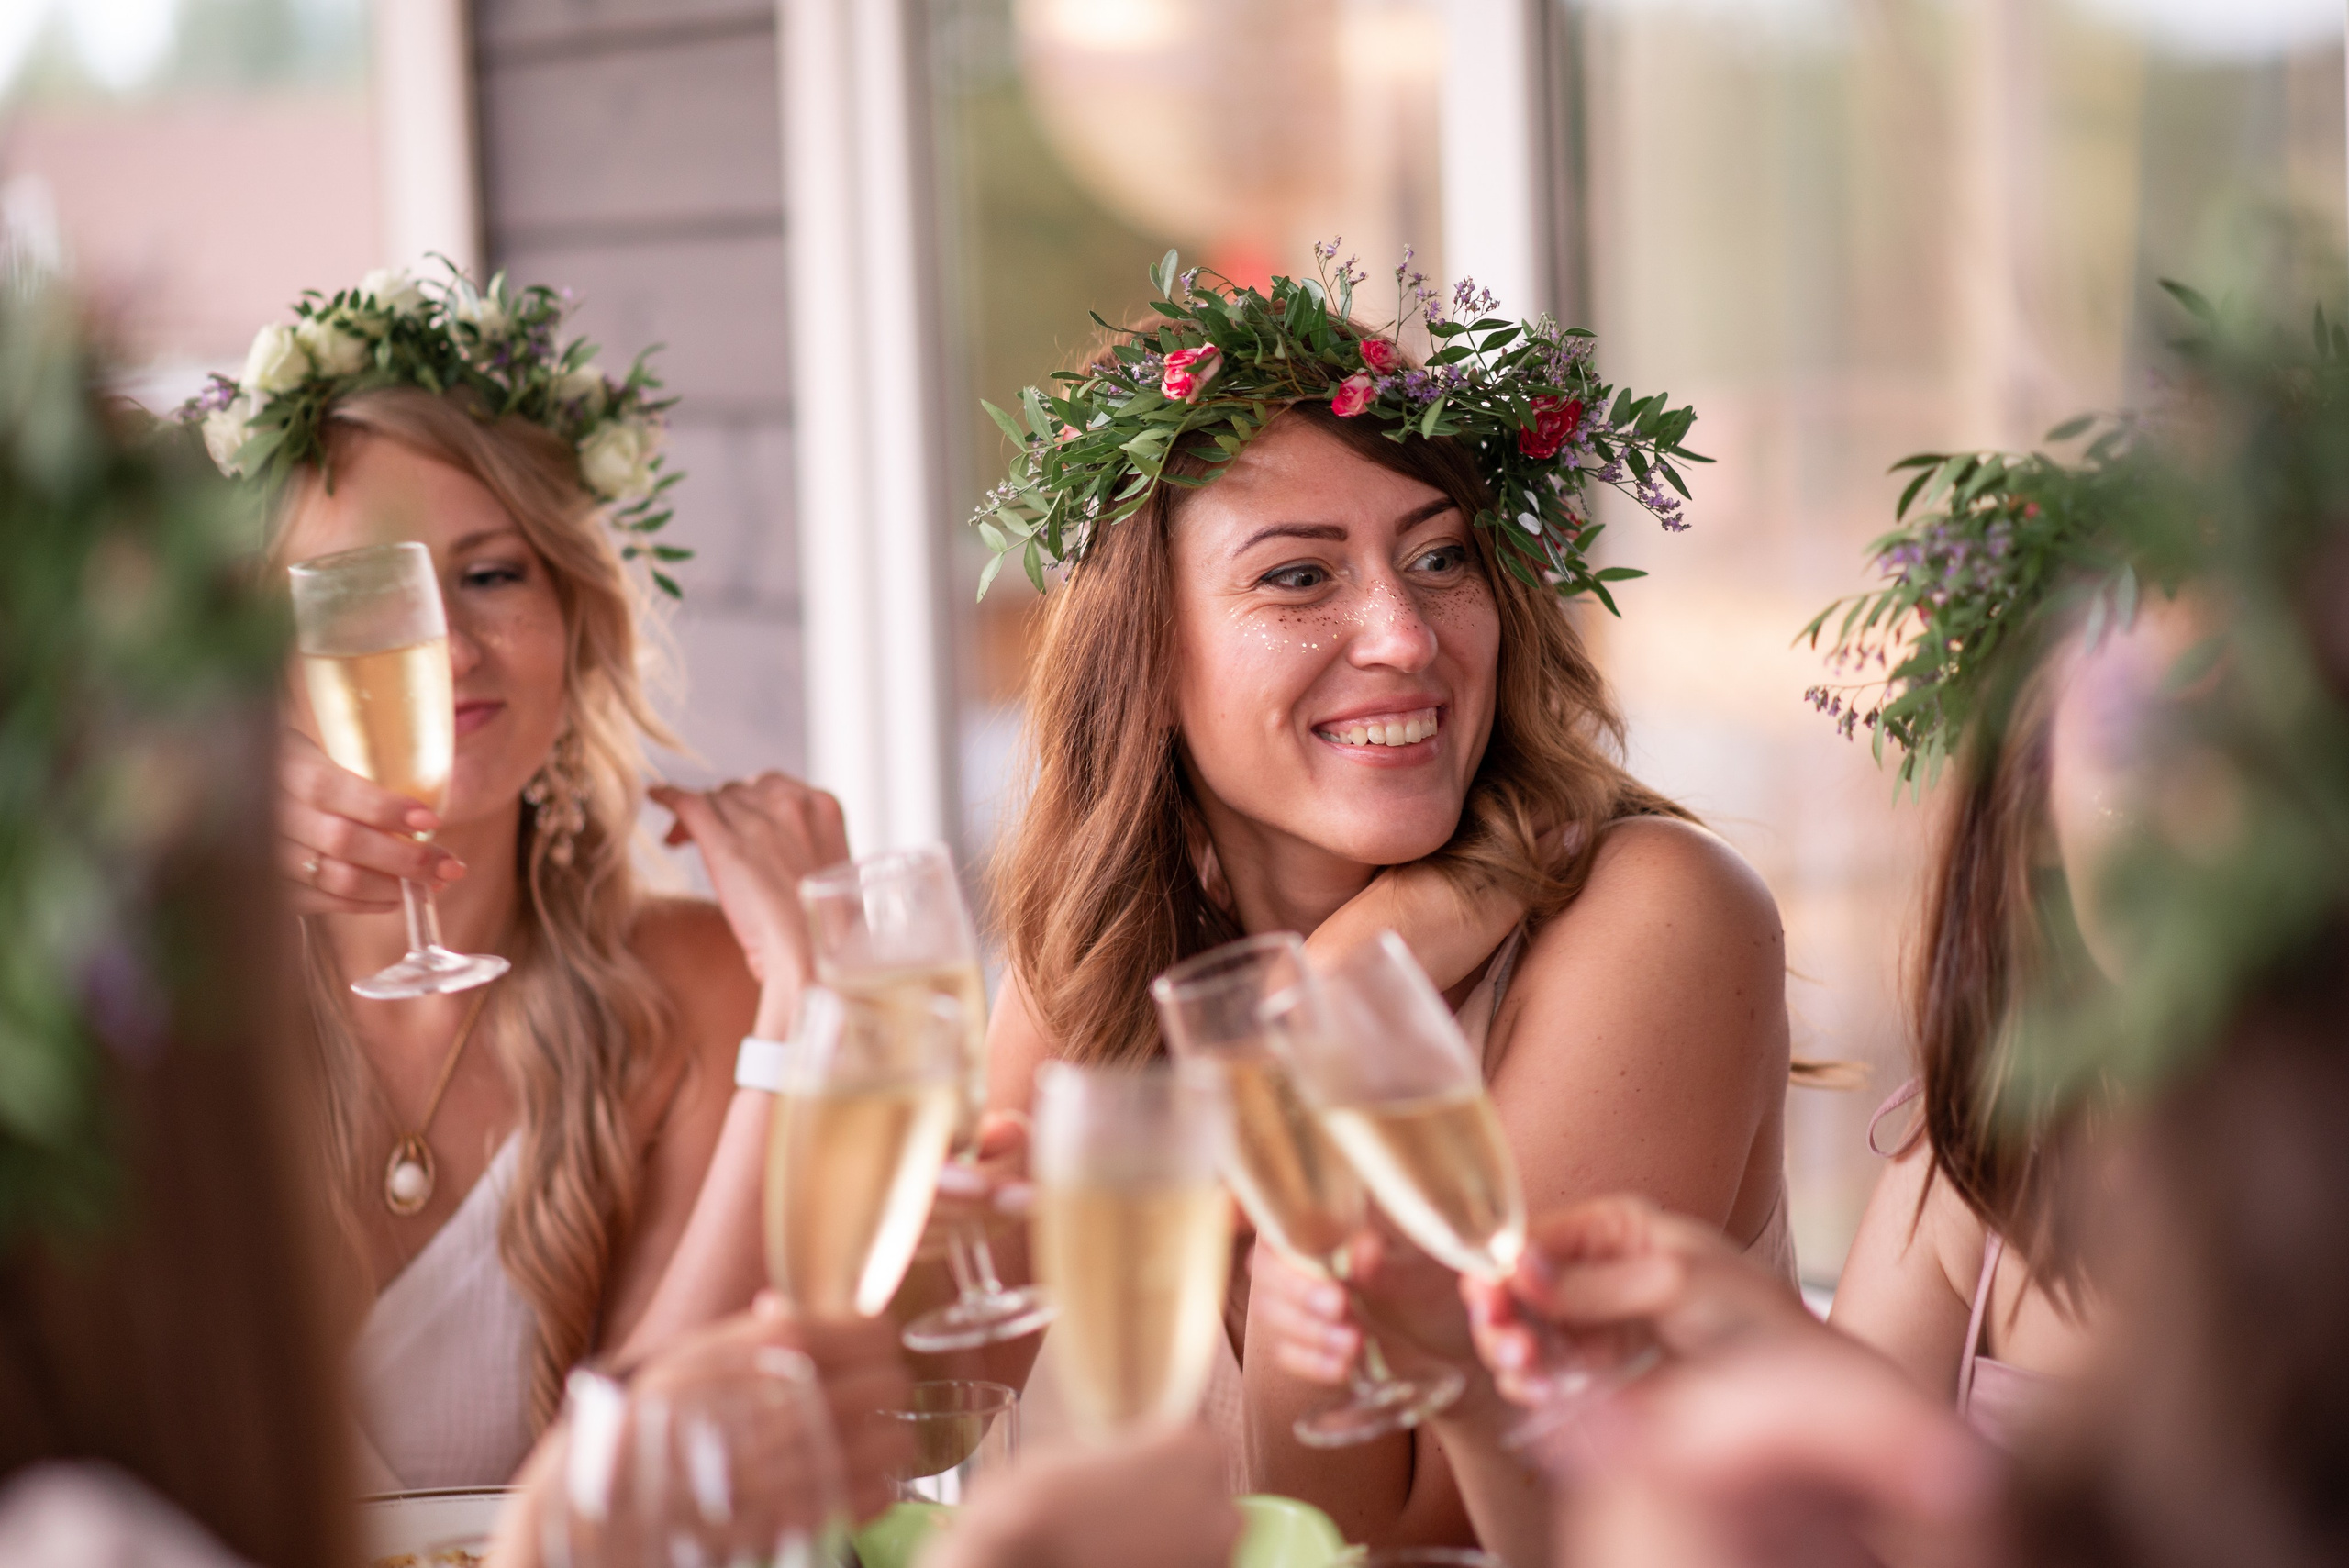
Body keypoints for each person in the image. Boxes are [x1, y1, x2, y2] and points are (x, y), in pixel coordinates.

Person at [975, 249, 1795, 1547]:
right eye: (1299, 576)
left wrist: (1330, 1004)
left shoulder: (1657, 920)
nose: (1405, 636)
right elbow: (917, 1410)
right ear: (1148, 652)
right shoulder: (1103, 949)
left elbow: (1402, 1531)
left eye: (1442, 557)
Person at [194, 267, 845, 1489]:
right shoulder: (180, 999)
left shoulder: (698, 989)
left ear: (574, 619)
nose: (441, 641)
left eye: (492, 574)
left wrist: (807, 1009)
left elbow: (649, 1478)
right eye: (357, 594)